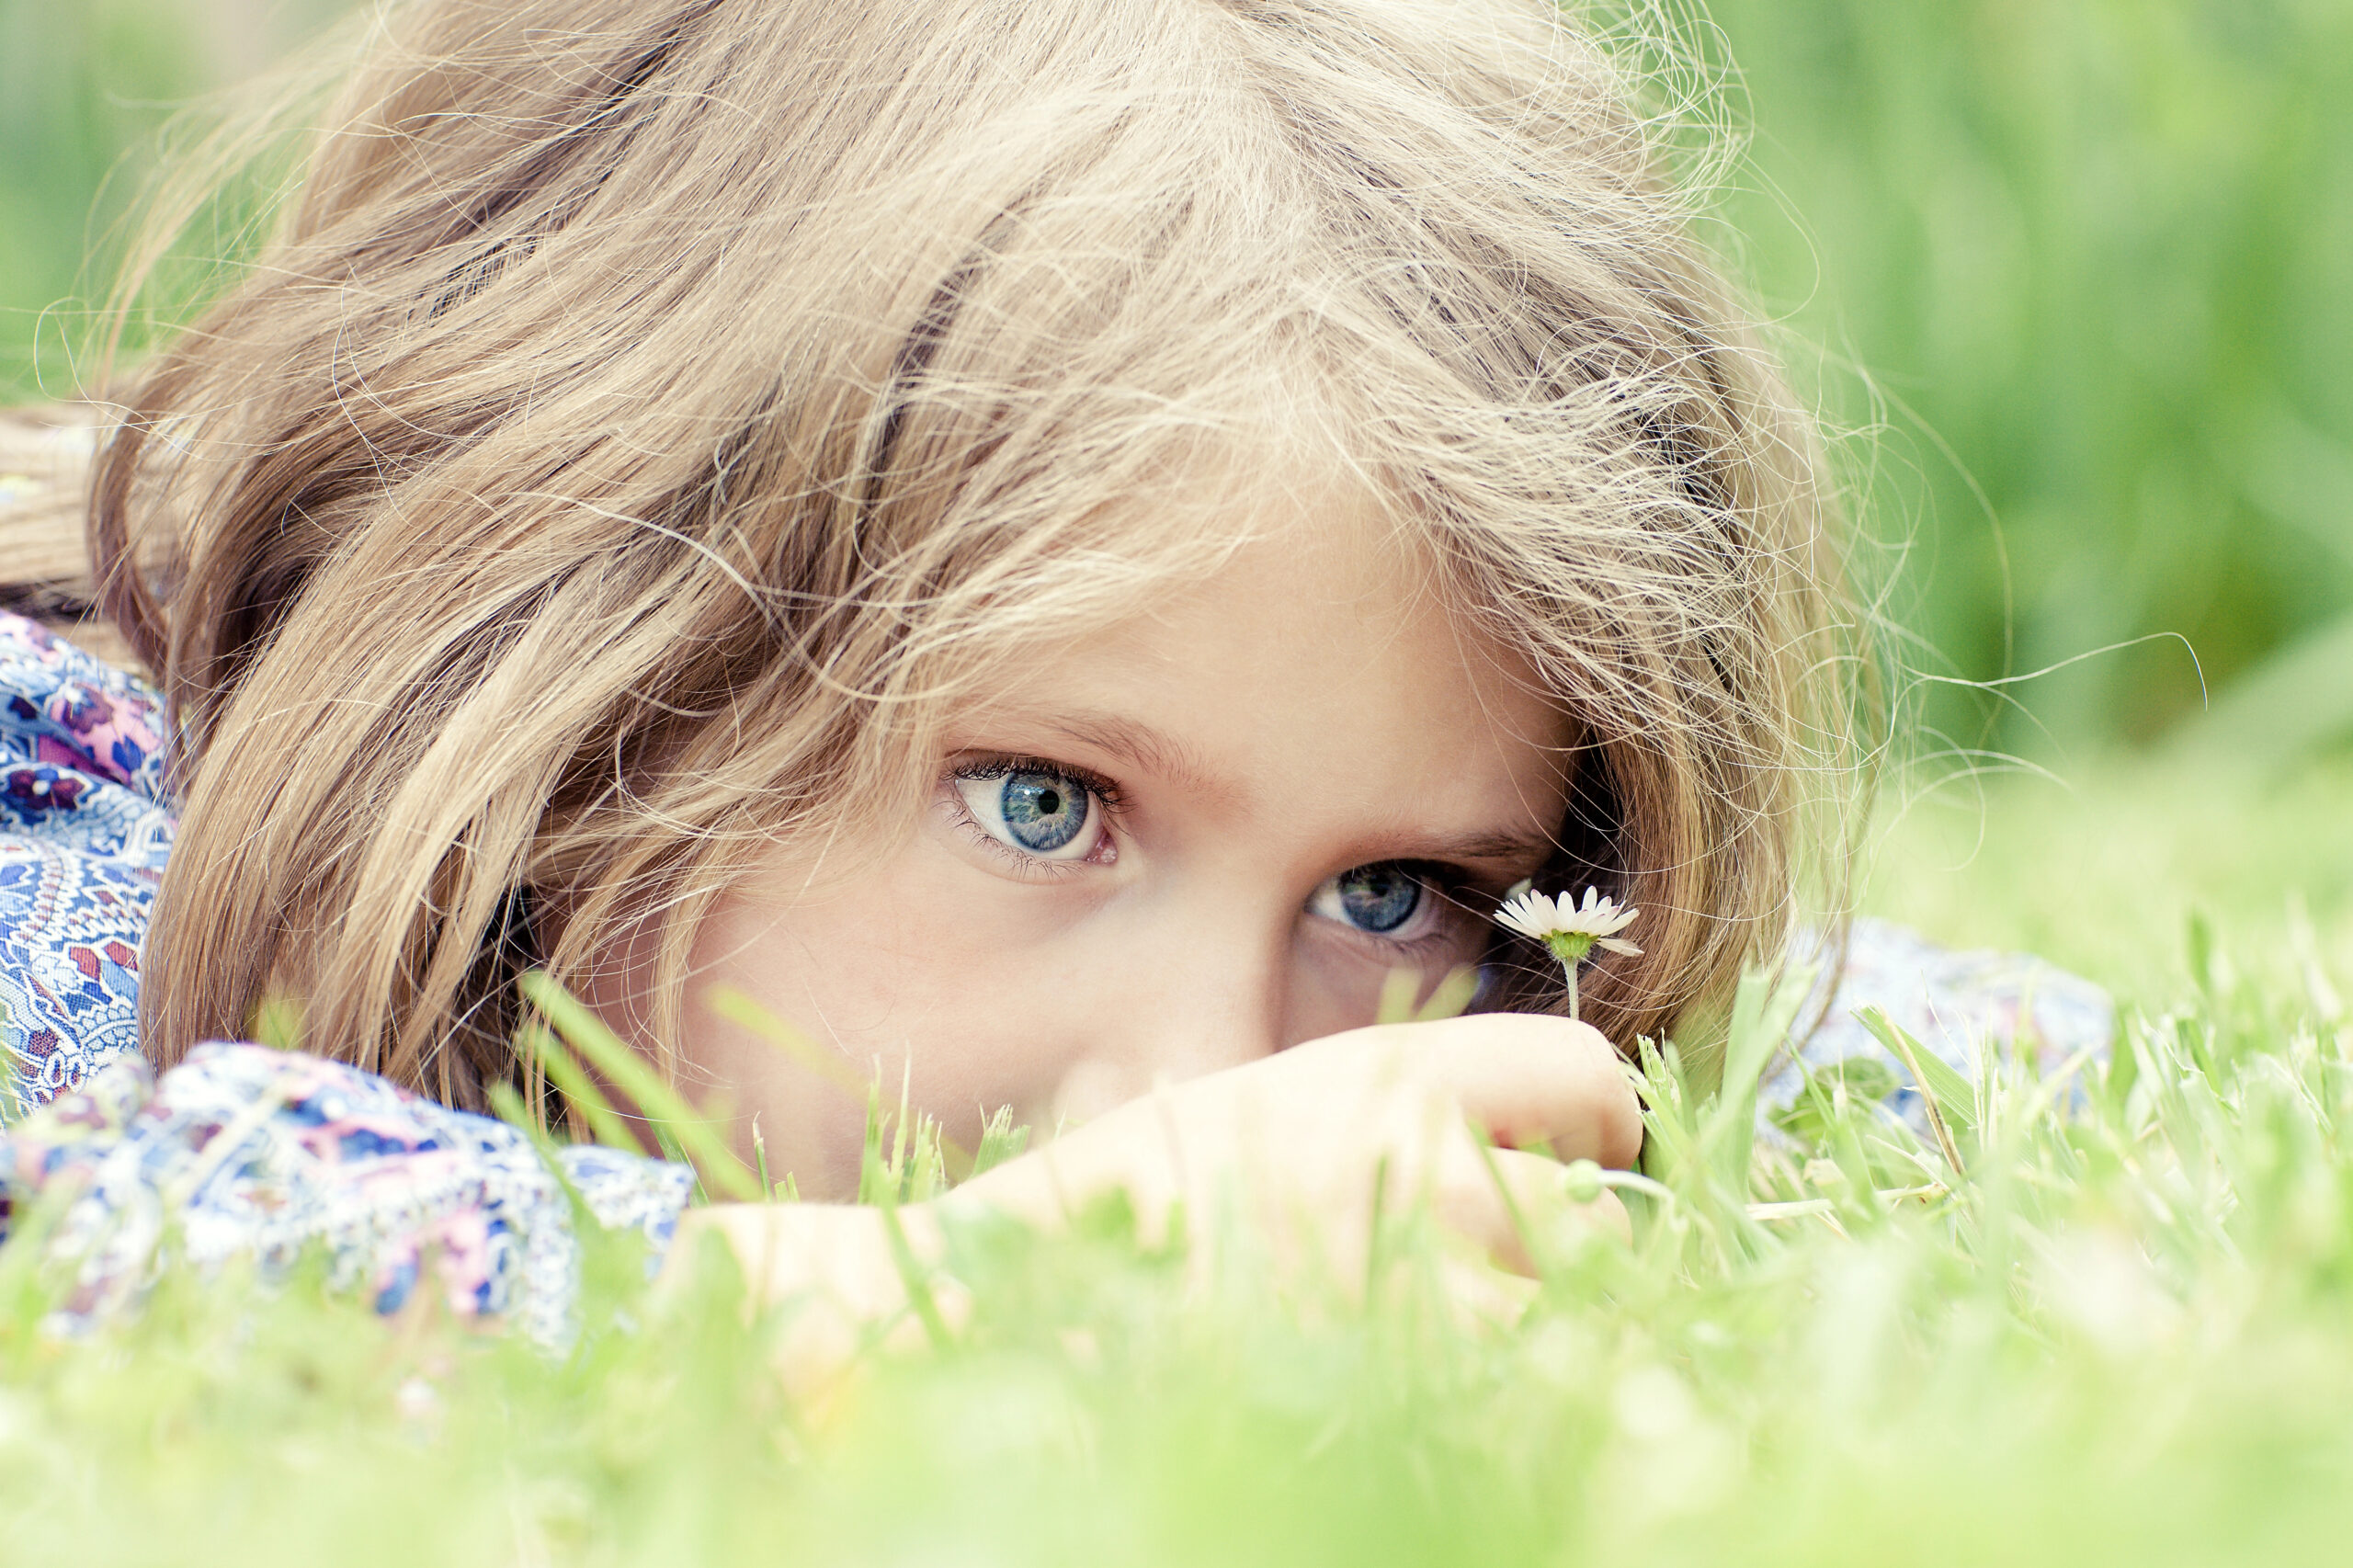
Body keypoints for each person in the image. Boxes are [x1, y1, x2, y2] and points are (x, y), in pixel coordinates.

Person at [0, 0, 1867, 1357]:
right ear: (551, 648)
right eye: (1042, 806)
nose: (1194, 1085)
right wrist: (954, 1291)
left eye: (1388, 895)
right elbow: (93, 1228)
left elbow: (1885, 1027)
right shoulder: (59, 790)